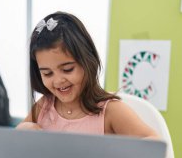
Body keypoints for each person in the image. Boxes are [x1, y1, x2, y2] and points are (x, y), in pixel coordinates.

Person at [16, 11, 158, 139]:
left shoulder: (111, 111)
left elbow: (154, 142)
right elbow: (12, 143)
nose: (58, 80)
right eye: (47, 73)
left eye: (67, 69)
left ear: (87, 62)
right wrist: (23, 130)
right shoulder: (44, 106)